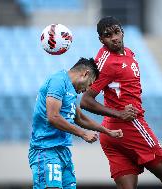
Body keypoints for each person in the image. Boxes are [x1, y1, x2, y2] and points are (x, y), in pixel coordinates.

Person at [80, 16, 162, 189]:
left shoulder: (128, 52)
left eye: (116, 32)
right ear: (101, 39)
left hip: (113, 133)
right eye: (108, 35)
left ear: (122, 31)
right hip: (129, 125)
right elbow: (86, 101)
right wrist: (119, 113)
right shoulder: (105, 63)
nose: (114, 37)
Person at [28, 57, 123, 189]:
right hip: (45, 149)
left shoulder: (70, 90)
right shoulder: (58, 81)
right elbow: (53, 116)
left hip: (63, 150)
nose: (87, 89)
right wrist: (83, 134)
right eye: (90, 84)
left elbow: (80, 118)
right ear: (85, 73)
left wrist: (107, 131)